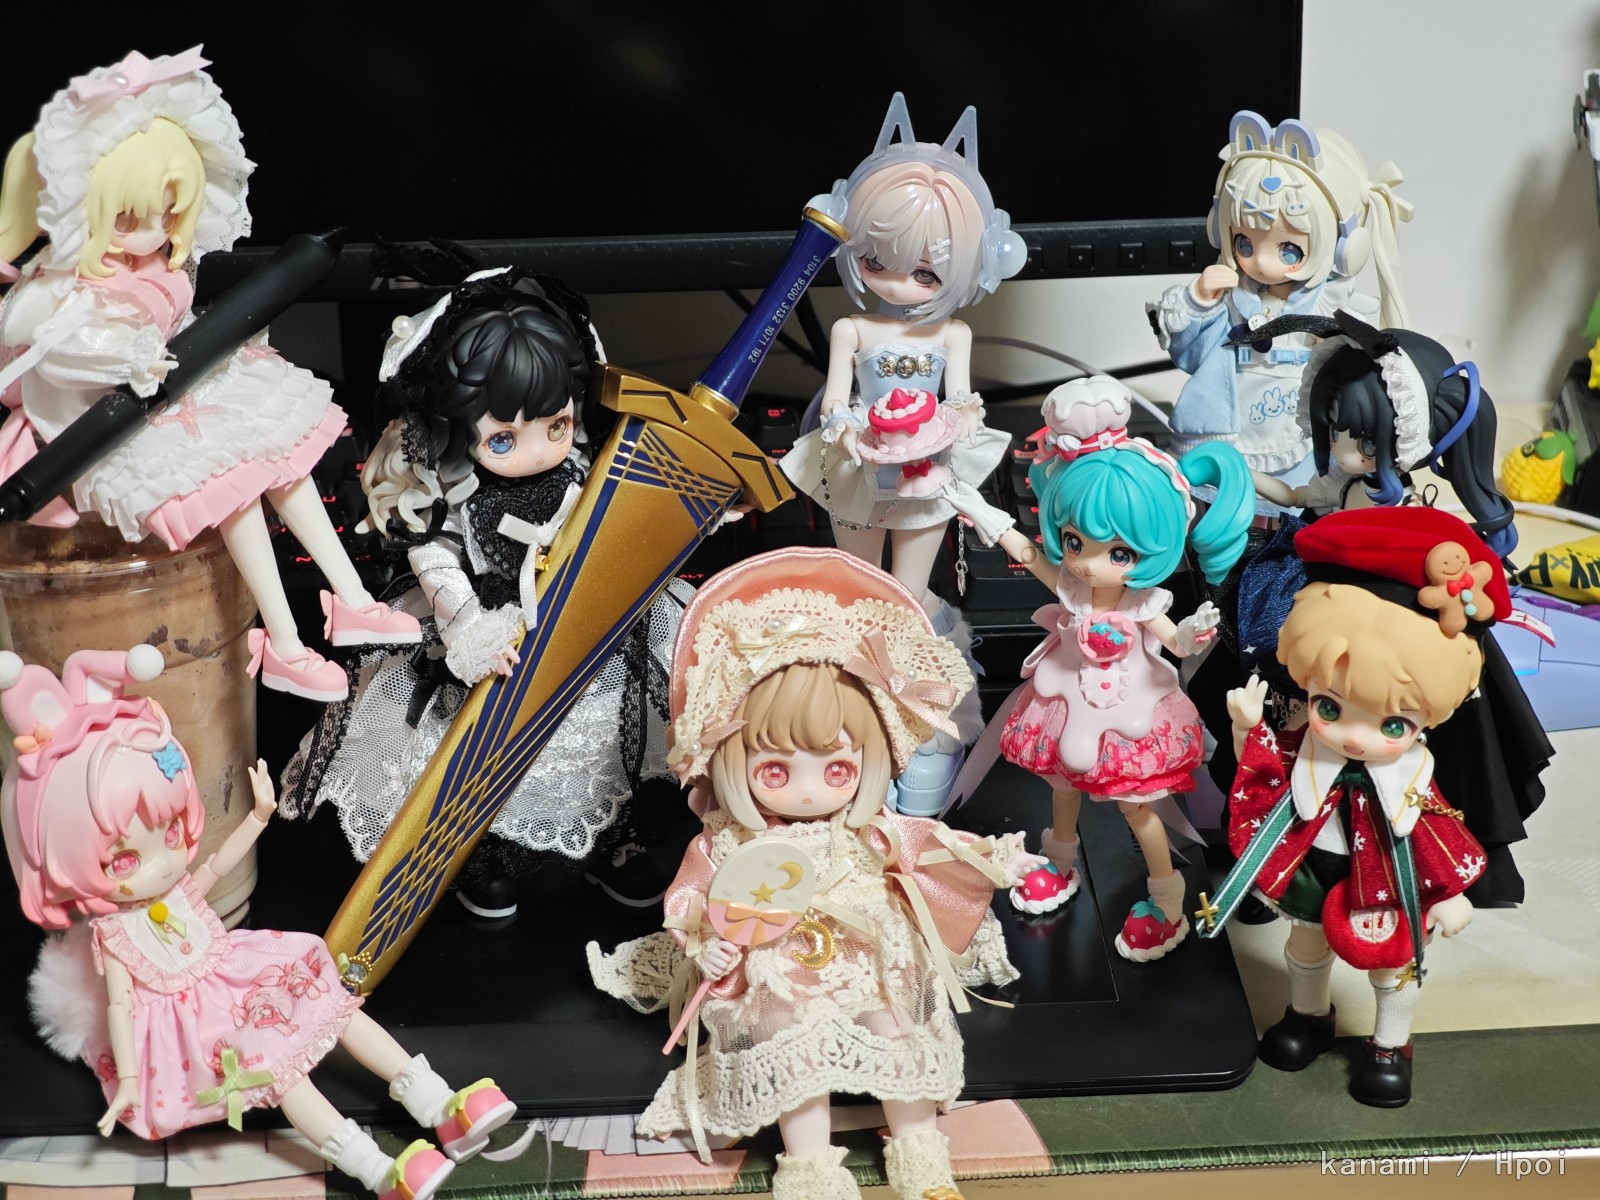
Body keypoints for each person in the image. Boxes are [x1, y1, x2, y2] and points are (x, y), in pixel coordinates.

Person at [588, 548, 1044, 1200]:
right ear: (731, 760)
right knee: (790, 1047)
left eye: (837, 769)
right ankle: (809, 1166)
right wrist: (707, 941)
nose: (808, 790)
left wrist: (995, 858)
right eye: (776, 770)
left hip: (869, 955)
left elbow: (929, 847)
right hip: (777, 965)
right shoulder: (732, 843)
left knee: (898, 1023)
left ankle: (919, 1149)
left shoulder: (867, 829)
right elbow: (694, 896)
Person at [1, 647, 512, 1198]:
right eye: (123, 860)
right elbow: (120, 1008)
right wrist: (128, 1081)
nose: (164, 863)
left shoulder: (176, 889)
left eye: (170, 833)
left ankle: (440, 1102)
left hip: (238, 971)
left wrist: (258, 816)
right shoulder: (115, 933)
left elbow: (215, 867)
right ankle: (378, 1171)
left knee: (335, 1008)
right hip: (200, 1025)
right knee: (282, 1075)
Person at [0, 48, 419, 702]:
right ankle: (285, 644)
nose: (154, 233)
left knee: (283, 462)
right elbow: (52, 348)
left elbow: (175, 315)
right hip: (116, 412)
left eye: (170, 212)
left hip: (177, 384)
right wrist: (128, 359)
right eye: (131, 218)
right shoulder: (61, 288)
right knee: (236, 490)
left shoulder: (158, 264)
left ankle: (355, 599)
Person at [280, 263, 689, 915]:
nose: (538, 449)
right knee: (478, 756)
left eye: (556, 425)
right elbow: (435, 559)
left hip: (588, 630)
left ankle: (612, 844)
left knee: (609, 748)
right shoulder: (456, 498)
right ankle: (485, 860)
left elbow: (620, 526)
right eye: (504, 437)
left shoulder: (585, 470)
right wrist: (468, 626)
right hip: (491, 635)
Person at [1199, 507, 1522, 1107]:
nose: (1354, 737)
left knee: (1393, 964)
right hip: (1312, 864)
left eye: (1393, 723)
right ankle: (1308, 1016)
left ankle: (1390, 1045)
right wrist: (1247, 732)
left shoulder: (1410, 776)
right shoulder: (1306, 749)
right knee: (1305, 946)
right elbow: (1265, 779)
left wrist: (1448, 893)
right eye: (1329, 707)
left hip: (1390, 879)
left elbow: (1436, 833)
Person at [1148, 110, 1410, 496]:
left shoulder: (1328, 306)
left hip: (1297, 439)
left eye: (1288, 250)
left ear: (1343, 247)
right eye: (1244, 243)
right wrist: (1199, 301)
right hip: (1227, 431)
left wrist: (1335, 347)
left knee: (1294, 505)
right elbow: (1189, 354)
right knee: (1218, 499)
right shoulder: (1228, 296)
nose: (1260, 262)